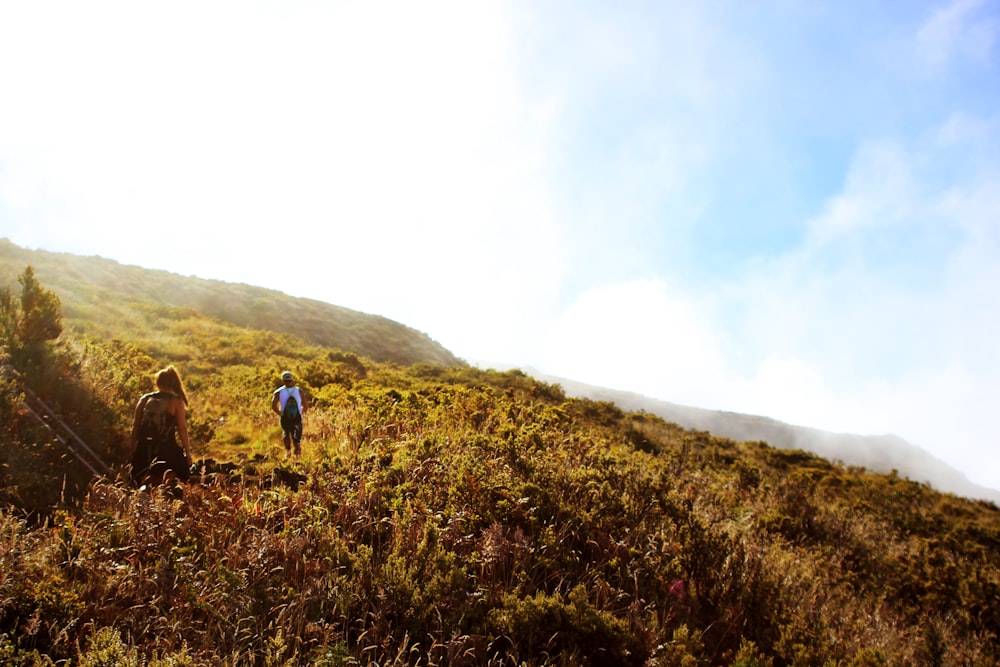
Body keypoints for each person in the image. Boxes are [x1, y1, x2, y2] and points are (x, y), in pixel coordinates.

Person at [130, 365, 192, 488]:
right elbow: (182, 429)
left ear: (157, 382)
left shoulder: (145, 399)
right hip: (167, 450)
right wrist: (188, 452)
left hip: (143, 449)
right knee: (170, 485)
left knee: (141, 485)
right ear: (173, 383)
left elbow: (136, 427)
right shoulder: (175, 402)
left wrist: (133, 451)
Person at [272, 370, 307, 457]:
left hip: (285, 417)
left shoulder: (278, 392)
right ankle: (297, 454)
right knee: (297, 435)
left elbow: (273, 405)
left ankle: (288, 452)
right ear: (292, 380)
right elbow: (305, 406)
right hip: (297, 417)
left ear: (282, 380)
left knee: (286, 433)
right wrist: (300, 413)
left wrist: (280, 413)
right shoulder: (299, 391)